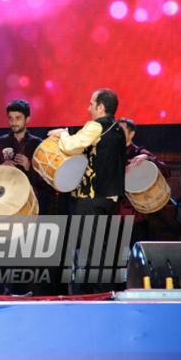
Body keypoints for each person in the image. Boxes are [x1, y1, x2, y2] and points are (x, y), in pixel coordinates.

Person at [48, 89, 126, 292]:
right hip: (109, 198)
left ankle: (99, 293)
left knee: (92, 250)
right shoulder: (118, 130)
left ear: (101, 107)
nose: (88, 107)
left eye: (91, 103)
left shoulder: (96, 126)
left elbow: (72, 146)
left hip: (92, 197)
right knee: (99, 248)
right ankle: (94, 291)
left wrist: (63, 133)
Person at [116, 118, 171, 247]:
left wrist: (148, 159)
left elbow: (167, 171)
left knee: (139, 257)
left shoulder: (139, 153)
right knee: (115, 260)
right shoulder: (108, 154)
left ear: (131, 134)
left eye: (121, 130)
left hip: (136, 216)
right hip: (114, 215)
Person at [0, 99, 42, 188]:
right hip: (6, 197)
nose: (13, 122)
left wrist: (29, 168)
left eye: (18, 118)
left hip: (29, 197)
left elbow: (46, 179)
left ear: (27, 119)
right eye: (11, 118)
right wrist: (0, 168)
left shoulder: (37, 144)